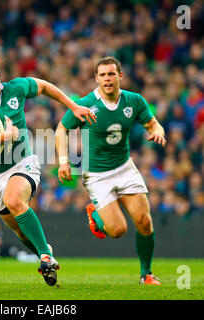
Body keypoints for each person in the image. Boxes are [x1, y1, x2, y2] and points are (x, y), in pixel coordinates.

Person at [0, 55, 96, 286]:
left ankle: (44, 256)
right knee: (21, 231)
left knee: (14, 200)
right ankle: (47, 253)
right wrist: (5, 136)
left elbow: (43, 86)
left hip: (23, 163)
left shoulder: (16, 88)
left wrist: (73, 106)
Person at [55, 56, 166, 285]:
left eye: (111, 74)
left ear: (120, 76)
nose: (107, 78)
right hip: (97, 175)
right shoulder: (85, 104)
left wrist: (159, 132)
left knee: (144, 221)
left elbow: (153, 124)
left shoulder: (134, 101)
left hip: (125, 168)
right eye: (103, 75)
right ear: (96, 78)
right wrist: (64, 161)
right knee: (117, 230)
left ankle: (146, 274)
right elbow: (60, 130)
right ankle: (94, 214)